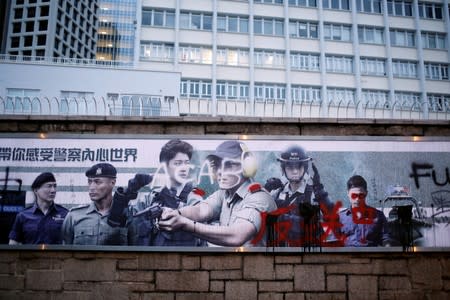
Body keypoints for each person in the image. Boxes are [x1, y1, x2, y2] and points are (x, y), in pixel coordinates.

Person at [158, 140, 277, 247]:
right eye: (217, 165)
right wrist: (175, 213)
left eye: (229, 165)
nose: (220, 171)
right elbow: (200, 211)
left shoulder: (260, 198)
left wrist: (184, 224)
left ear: (247, 167)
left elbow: (237, 236)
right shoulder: (224, 194)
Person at [130, 139, 205, 246]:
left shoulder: (195, 196)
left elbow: (202, 232)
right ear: (165, 166)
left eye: (187, 163)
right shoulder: (152, 197)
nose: (184, 168)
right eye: (178, 163)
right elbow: (131, 221)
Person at [264, 145, 333, 247]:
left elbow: (332, 217)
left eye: (299, 166)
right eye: (290, 167)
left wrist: (320, 191)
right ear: (283, 168)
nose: (295, 171)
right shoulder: (277, 193)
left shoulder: (314, 194)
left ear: (305, 167)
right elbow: (257, 213)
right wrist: (265, 190)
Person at [61, 163, 135, 245]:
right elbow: (65, 252)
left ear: (112, 183)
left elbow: (135, 250)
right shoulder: (74, 216)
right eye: (89, 182)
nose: (92, 187)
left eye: (98, 182)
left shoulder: (127, 215)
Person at [9, 172, 68, 245]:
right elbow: (13, 244)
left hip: (56, 256)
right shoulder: (22, 216)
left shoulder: (65, 214)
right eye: (49, 186)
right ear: (36, 190)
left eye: (54, 186)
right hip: (31, 256)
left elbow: (70, 242)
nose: (53, 190)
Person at [338, 175, 391, 247]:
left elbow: (385, 239)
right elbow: (334, 242)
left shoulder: (378, 216)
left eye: (361, 195)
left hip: (371, 257)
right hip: (347, 257)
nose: (357, 199)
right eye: (354, 195)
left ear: (366, 193)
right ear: (348, 193)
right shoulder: (340, 218)